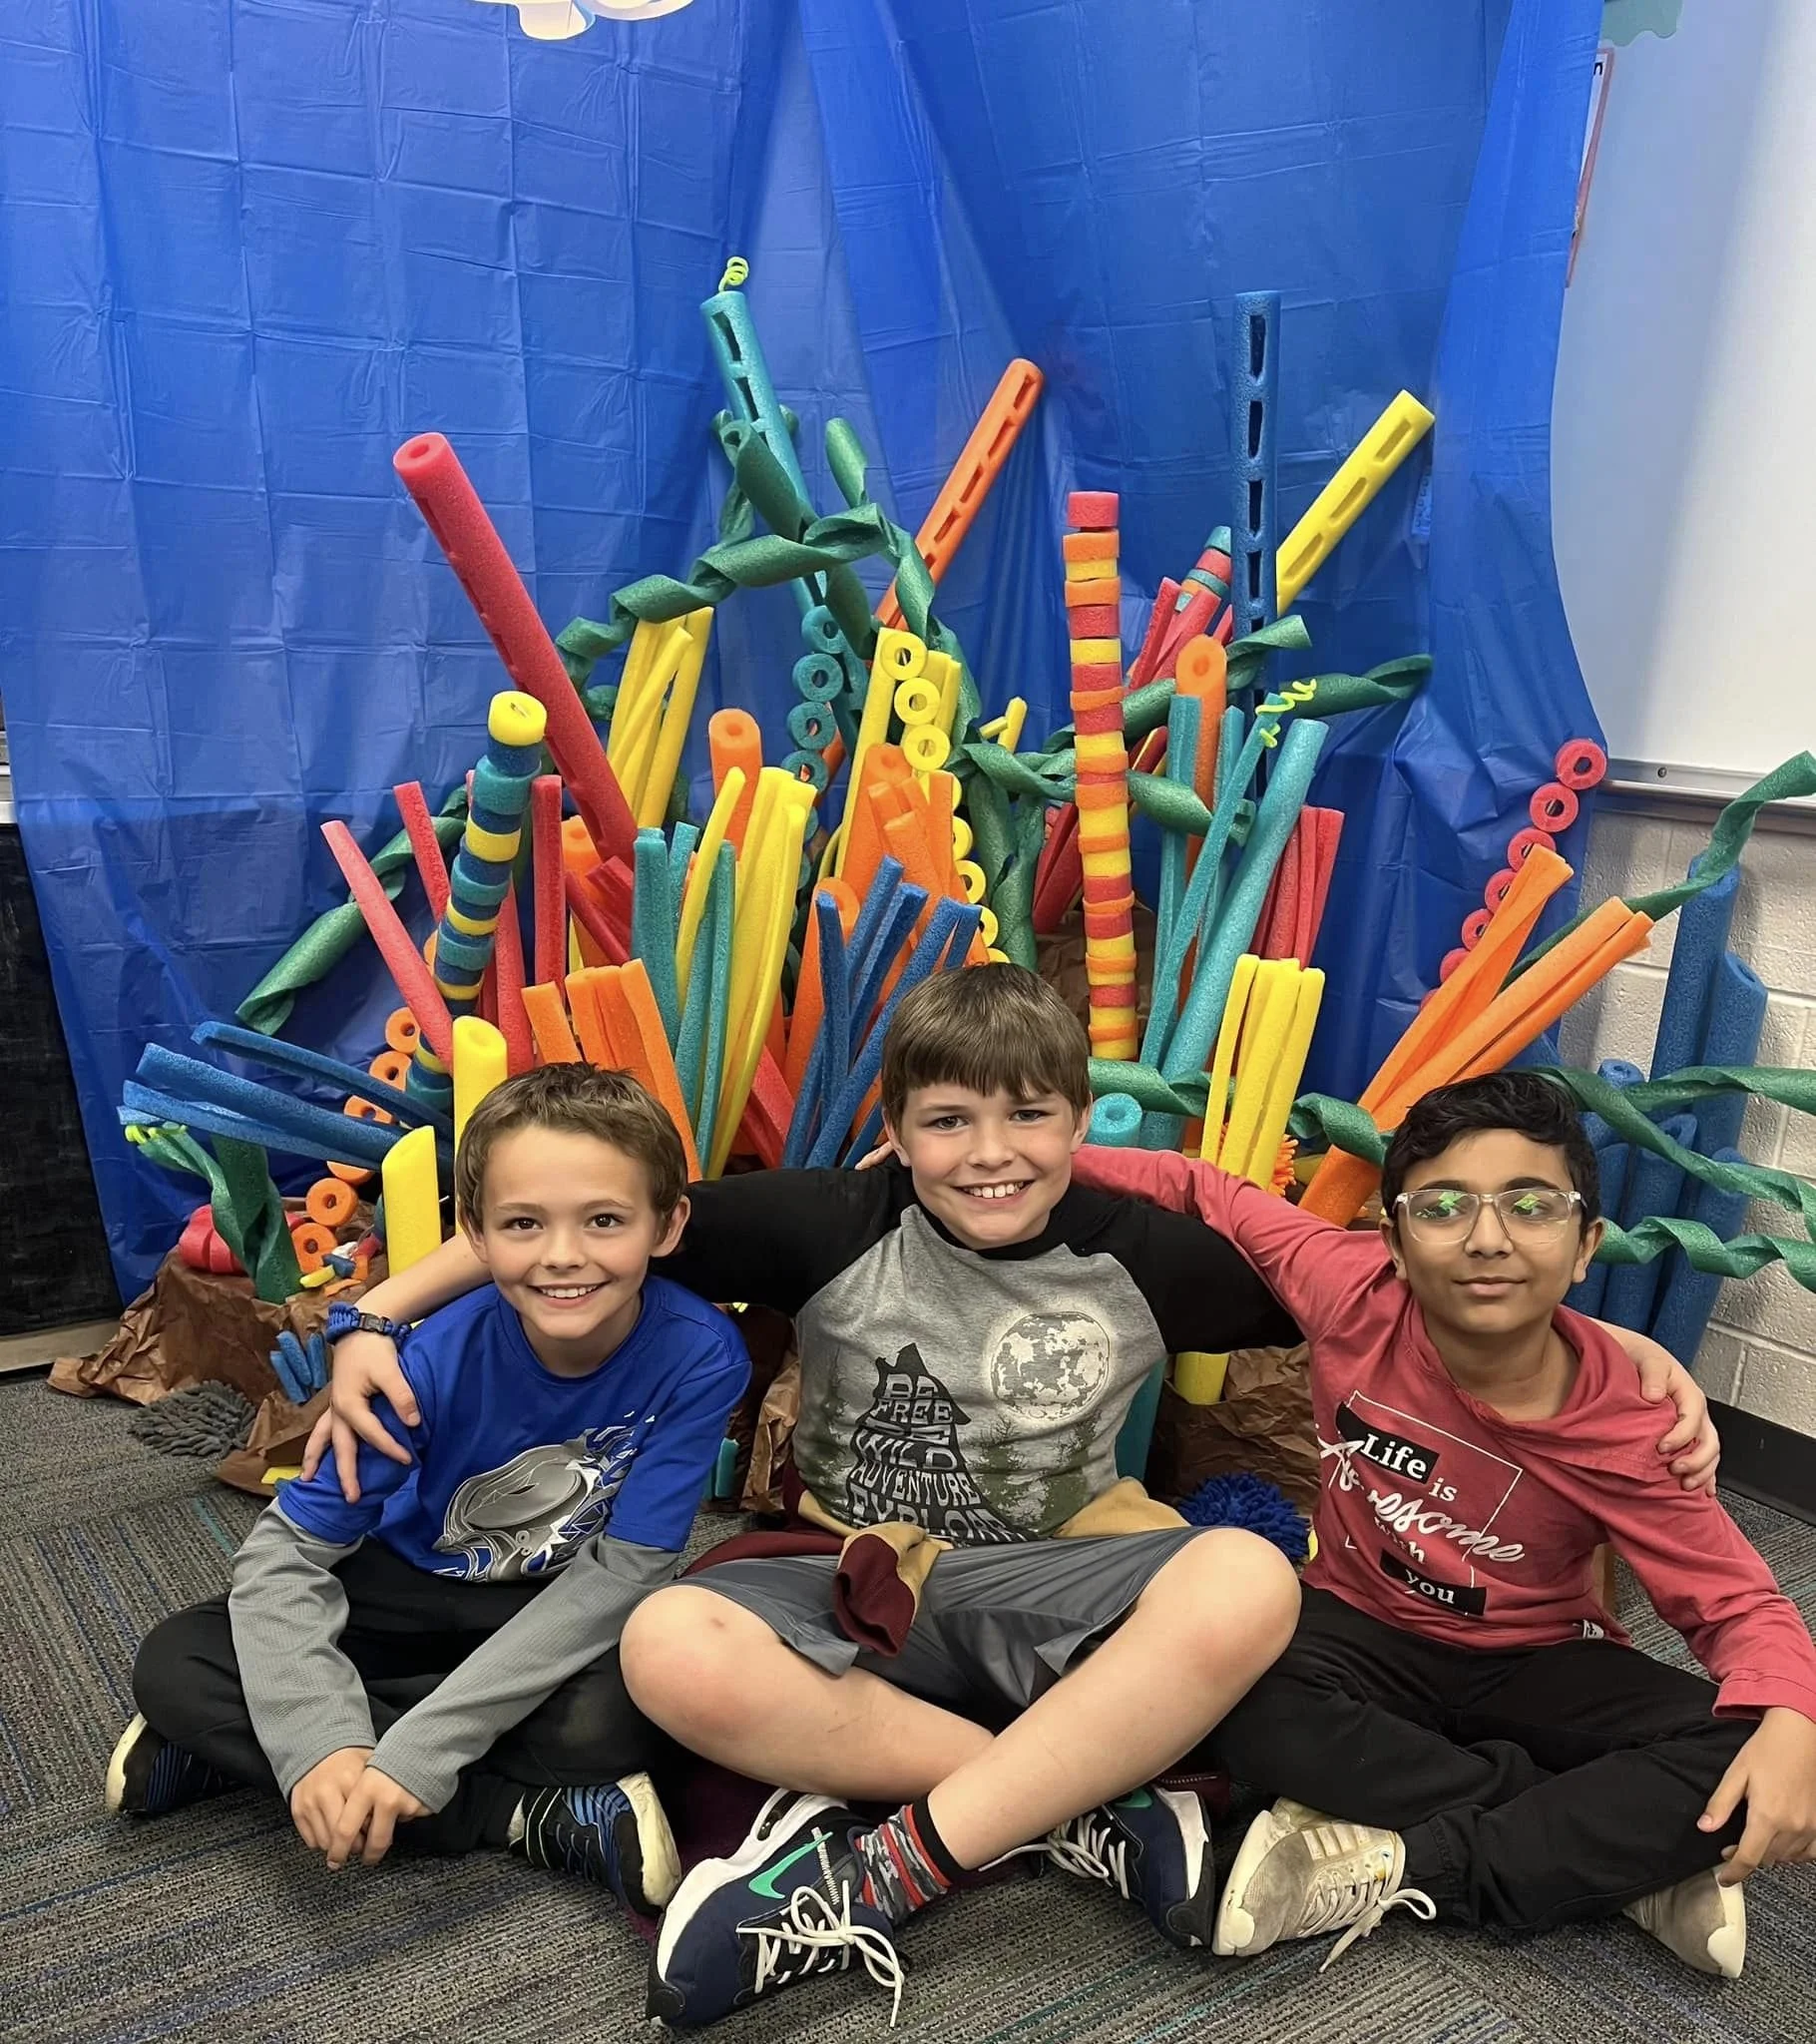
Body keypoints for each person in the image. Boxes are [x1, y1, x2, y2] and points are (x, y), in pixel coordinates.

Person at [309, 969, 1717, 2027]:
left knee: (1247, 1579)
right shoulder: (831, 1221)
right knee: (668, 1644)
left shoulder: (1147, 1251)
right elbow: (594, 1222)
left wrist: (1621, 1351)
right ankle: (1078, 1809)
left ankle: (897, 1866)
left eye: (1027, 1116)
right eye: (948, 1121)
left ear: (1079, 1119)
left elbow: (1416, 1289)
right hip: (856, 1576)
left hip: (1071, 1582)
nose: (989, 1152)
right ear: (897, 1135)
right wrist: (373, 1313)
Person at [1075, 1070, 1816, 1981]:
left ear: (1586, 1245)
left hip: (1536, 1657)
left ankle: (1414, 1862)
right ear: (1391, 1239)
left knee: (1758, 1747)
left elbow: (1740, 1603)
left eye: (1532, 1206)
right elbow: (1206, 1190)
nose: (1487, 1238)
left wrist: (1792, 1714)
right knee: (1220, 1692)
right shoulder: (1351, 1291)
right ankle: (1603, 1852)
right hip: (1354, 1629)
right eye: (1444, 1207)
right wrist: (1034, 1161)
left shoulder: (1631, 1426)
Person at [110, 1065, 749, 1917]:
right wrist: (321, 1743)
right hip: (399, 1592)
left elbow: (626, 1571)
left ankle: (244, 1757)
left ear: (666, 1226)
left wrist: (422, 1745)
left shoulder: (702, 1356)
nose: (564, 1256)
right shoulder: (423, 1366)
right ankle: (515, 1816)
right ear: (476, 1236)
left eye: (604, 1220)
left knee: (636, 1714)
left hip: (555, 1606)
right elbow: (286, 1555)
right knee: (176, 1661)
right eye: (524, 1224)